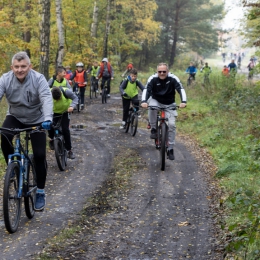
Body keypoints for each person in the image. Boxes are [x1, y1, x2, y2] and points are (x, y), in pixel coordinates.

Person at [0, 51, 53, 211]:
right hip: (15, 116)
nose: (20, 70)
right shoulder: (5, 79)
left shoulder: (38, 79)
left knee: (39, 155)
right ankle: (13, 166)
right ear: (12, 67)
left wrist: (48, 118)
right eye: (16, 66)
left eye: (23, 66)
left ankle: (41, 192)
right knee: (4, 134)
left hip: (37, 120)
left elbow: (46, 97)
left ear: (29, 67)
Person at [141, 62, 187, 160]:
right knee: (151, 107)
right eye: (159, 71)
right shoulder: (152, 78)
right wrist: (144, 101)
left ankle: (170, 149)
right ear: (157, 71)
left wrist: (183, 101)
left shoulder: (173, 78)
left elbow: (180, 89)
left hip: (169, 103)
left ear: (168, 71)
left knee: (171, 125)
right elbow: (147, 90)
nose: (162, 73)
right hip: (156, 100)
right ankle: (154, 129)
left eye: (164, 71)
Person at [48, 84, 78, 159]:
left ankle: (69, 150)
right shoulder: (48, 93)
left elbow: (75, 98)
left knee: (65, 129)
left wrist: (72, 106)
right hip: (54, 112)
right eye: (56, 100)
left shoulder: (66, 91)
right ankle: (52, 139)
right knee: (50, 125)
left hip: (65, 112)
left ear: (61, 94)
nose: (57, 101)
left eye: (59, 99)